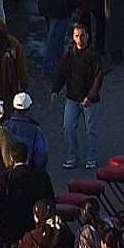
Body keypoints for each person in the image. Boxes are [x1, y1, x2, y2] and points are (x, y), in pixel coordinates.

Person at [51, 21, 103, 170]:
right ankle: (72, 156)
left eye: (82, 35)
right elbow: (61, 72)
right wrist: (55, 90)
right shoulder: (69, 53)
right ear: (73, 37)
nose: (79, 39)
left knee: (90, 130)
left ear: (87, 36)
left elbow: (98, 78)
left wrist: (90, 96)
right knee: (68, 127)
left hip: (90, 100)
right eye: (76, 35)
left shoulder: (93, 55)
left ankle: (91, 158)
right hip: (72, 97)